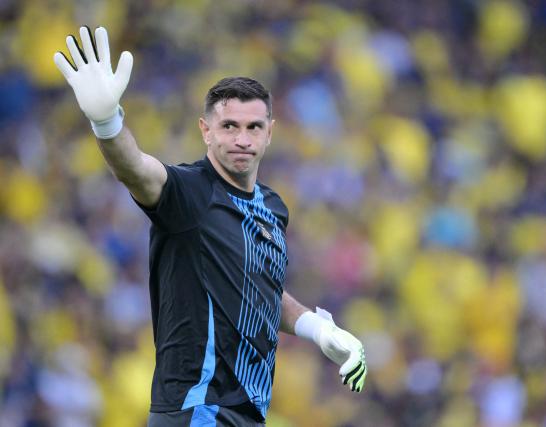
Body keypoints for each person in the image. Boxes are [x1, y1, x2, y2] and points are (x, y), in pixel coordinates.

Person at [53, 26, 367, 427]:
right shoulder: (190, 193)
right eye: (229, 126)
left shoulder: (273, 207)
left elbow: (259, 290)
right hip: (196, 410)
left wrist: (319, 330)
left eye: (253, 127)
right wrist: (106, 123)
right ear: (206, 130)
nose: (241, 139)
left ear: (270, 133)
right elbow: (136, 171)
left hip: (244, 414)